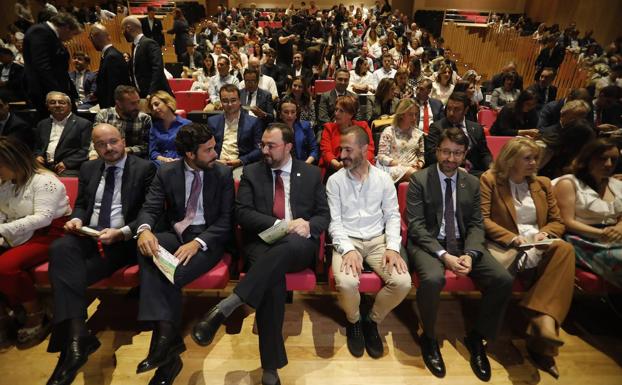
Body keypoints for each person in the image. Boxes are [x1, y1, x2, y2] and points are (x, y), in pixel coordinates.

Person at [191, 123, 330, 385]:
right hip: (262, 242)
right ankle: (270, 369)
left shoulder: (311, 174)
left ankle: (228, 305)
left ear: (288, 147)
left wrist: (308, 225)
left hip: (297, 245)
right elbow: (242, 212)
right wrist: (282, 225)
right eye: (262, 145)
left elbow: (324, 215)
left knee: (285, 248)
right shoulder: (252, 173)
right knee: (272, 285)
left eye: (271, 146)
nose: (264, 150)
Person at [45, 123, 155, 385]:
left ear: (123, 140)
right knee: (60, 247)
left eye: (113, 142)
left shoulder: (144, 168)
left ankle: (72, 339)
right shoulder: (88, 167)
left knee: (68, 275)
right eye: (101, 144)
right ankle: (78, 335)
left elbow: (149, 212)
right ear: (94, 146)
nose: (109, 148)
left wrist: (123, 233)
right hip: (89, 234)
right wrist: (77, 220)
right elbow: (82, 204)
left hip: (123, 240)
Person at [407, 127, 513, 381]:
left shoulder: (472, 182)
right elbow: (417, 227)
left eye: (457, 153)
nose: (450, 159)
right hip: (429, 243)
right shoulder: (419, 180)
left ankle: (477, 338)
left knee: (503, 280)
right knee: (433, 279)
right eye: (446, 152)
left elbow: (477, 224)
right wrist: (444, 255)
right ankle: (429, 337)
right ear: (437, 151)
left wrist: (472, 253)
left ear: (465, 154)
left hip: (464, 244)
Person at [135, 123, 233, 385]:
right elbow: (150, 208)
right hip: (176, 233)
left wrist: (198, 242)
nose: (216, 153)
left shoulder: (222, 174)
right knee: (146, 248)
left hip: (207, 238)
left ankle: (165, 352)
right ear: (190, 154)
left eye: (214, 147)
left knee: (168, 273)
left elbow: (225, 221)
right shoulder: (167, 172)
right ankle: (169, 342)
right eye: (208, 150)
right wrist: (144, 230)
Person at [480, 137, 575, 379]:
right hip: (507, 244)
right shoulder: (490, 180)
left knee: (564, 250)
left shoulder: (542, 184)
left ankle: (543, 322)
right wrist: (512, 238)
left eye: (536, 158)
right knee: (550, 275)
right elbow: (483, 219)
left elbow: (557, 222)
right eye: (528, 158)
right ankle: (542, 338)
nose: (534, 163)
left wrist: (546, 233)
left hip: (538, 242)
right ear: (510, 160)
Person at [327, 126, 411, 358]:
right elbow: (334, 223)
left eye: (348, 150)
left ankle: (371, 320)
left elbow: (393, 216)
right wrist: (347, 249)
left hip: (377, 241)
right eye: (340, 149)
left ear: (365, 149)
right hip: (348, 238)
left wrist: (393, 248)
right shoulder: (334, 182)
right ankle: (354, 321)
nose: (342, 155)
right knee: (345, 283)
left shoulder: (384, 179)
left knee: (402, 283)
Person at [0, 136, 70, 348]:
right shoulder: (5, 182)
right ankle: (7, 311)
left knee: (5, 267)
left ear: (14, 160)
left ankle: (36, 312)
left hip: (50, 233)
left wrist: (3, 230)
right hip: (18, 231)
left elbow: (43, 218)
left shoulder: (45, 181)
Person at [554, 139, 622, 288]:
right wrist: (601, 233)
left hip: (614, 235)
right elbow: (567, 221)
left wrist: (618, 228)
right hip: (583, 239)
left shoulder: (616, 184)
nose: (609, 164)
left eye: (614, 159)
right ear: (587, 159)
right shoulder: (569, 183)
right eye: (602, 159)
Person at [23, 12, 81, 118]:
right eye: (73, 34)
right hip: (48, 93)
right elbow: (42, 66)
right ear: (66, 27)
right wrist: (58, 94)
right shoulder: (40, 31)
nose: (71, 38)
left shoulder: (50, 34)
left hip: (57, 91)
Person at [426, 92, 492, 177]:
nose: (451, 113)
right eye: (449, 109)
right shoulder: (437, 127)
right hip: (448, 170)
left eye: (456, 109)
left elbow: (484, 153)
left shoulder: (476, 128)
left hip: (474, 172)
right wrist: (456, 164)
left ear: (466, 110)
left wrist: (492, 168)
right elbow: (431, 156)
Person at [208, 84, 263, 179]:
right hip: (217, 163)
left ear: (239, 101)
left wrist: (240, 161)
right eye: (225, 101)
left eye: (233, 100)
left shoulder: (254, 122)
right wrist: (215, 160)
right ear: (220, 102)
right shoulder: (212, 121)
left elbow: (259, 150)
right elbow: (207, 147)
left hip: (241, 165)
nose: (229, 104)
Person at [33, 91, 93, 177]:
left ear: (70, 106)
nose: (57, 105)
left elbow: (85, 149)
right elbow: (38, 147)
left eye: (62, 102)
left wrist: (67, 163)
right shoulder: (42, 124)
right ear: (48, 107)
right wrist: (38, 156)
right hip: (44, 166)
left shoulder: (83, 124)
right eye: (52, 103)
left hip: (69, 167)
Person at [89, 85, 152, 159]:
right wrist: (93, 155)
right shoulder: (104, 115)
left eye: (138, 102)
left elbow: (146, 146)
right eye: (132, 103)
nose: (137, 107)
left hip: (133, 159)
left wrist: (125, 150)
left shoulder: (144, 119)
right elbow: (96, 140)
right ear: (119, 104)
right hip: (107, 155)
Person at [320, 95, 375, 175]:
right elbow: (326, 152)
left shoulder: (363, 126)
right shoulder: (329, 128)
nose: (336, 113)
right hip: (334, 169)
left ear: (351, 114)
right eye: (336, 110)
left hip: (360, 165)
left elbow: (369, 149)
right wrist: (337, 165)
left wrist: (356, 163)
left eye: (341, 111)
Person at [121, 16, 172, 98]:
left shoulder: (149, 43)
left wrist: (150, 93)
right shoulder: (135, 46)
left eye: (122, 29)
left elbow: (157, 68)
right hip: (144, 96)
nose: (122, 33)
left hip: (157, 96)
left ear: (128, 28)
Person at [377, 99, 425, 183]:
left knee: (421, 174)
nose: (414, 118)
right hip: (392, 167)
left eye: (416, 114)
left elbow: (421, 155)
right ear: (402, 115)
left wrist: (419, 164)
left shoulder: (418, 134)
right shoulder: (389, 131)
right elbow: (381, 156)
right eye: (410, 114)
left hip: (413, 168)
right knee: (416, 175)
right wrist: (401, 164)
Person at [88, 23, 130, 109]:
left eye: (90, 39)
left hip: (113, 109)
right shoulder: (109, 54)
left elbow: (113, 88)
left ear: (93, 38)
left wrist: (110, 111)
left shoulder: (111, 56)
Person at [147, 91, 191, 166]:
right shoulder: (155, 127)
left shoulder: (186, 124)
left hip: (182, 163)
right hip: (160, 164)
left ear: (168, 103)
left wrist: (179, 161)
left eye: (157, 104)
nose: (154, 108)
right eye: (152, 107)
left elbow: (191, 150)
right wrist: (165, 160)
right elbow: (153, 152)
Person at [277, 97, 318, 163]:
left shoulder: (305, 126)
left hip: (303, 164)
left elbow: (314, 149)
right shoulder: (274, 131)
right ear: (280, 114)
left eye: (293, 112)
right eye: (286, 112)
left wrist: (306, 163)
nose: (290, 115)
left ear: (296, 114)